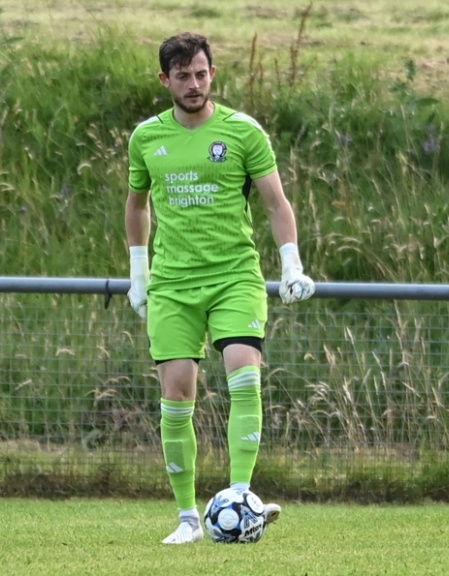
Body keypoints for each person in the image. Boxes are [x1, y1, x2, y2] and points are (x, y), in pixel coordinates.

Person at [125, 32, 316, 545]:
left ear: (213, 73)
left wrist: (290, 266)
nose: (194, 84)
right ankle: (188, 518)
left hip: (234, 275)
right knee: (177, 393)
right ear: (165, 79)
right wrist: (138, 273)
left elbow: (276, 203)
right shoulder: (146, 137)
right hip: (173, 283)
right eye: (183, 75)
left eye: (202, 73)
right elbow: (137, 205)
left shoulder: (243, 132)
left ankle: (240, 499)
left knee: (243, 374)